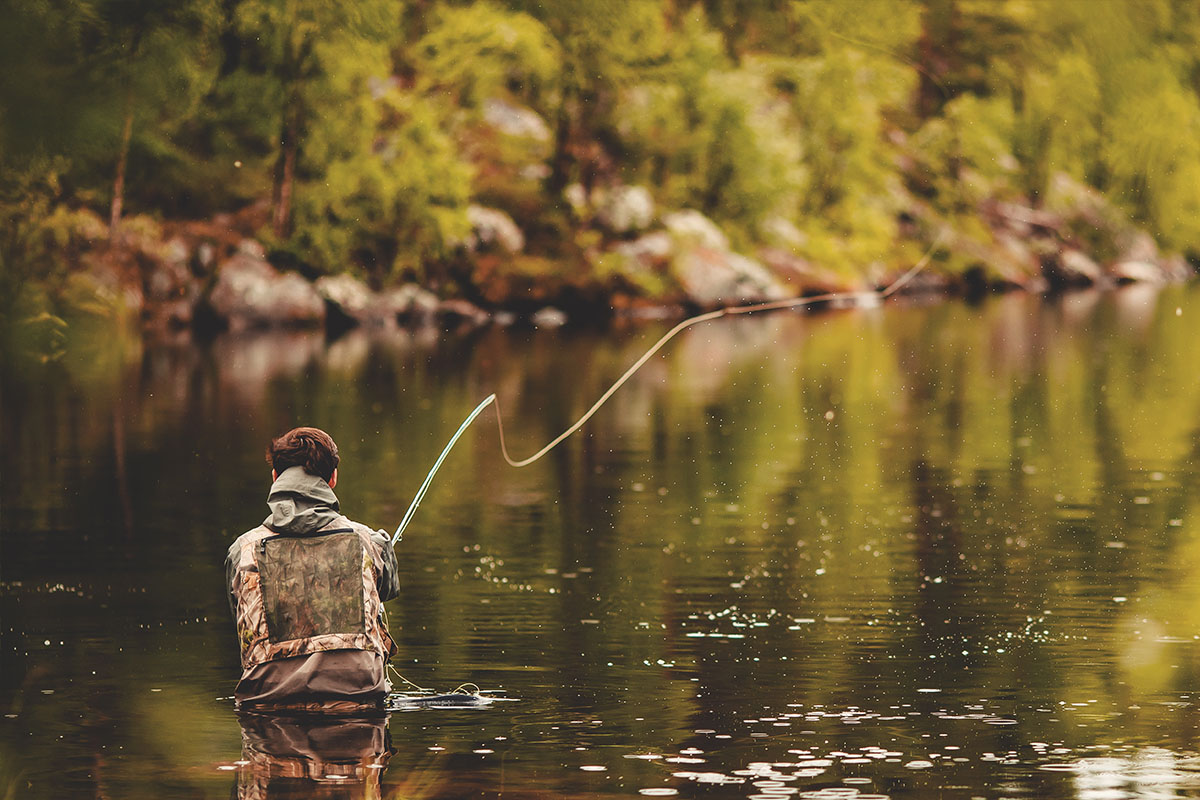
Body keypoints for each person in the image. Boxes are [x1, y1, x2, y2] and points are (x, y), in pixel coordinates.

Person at [226, 427, 400, 712]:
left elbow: (238, 616)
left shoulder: (240, 552)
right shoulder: (373, 543)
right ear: (332, 479)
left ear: (275, 478)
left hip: (265, 710)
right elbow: (388, 590)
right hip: (361, 705)